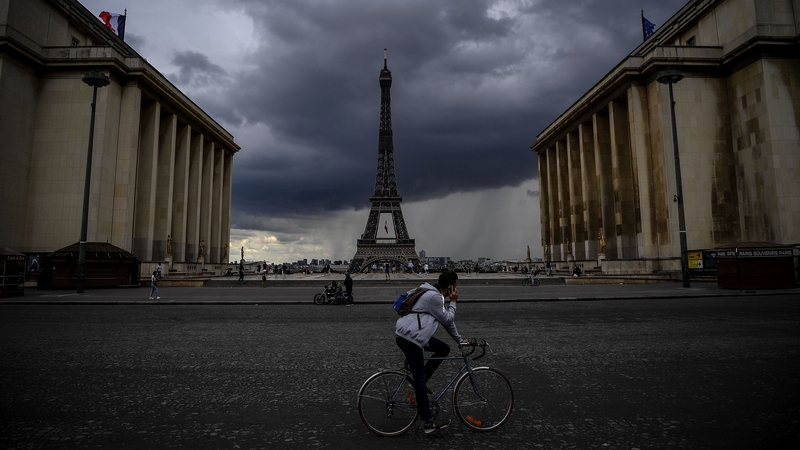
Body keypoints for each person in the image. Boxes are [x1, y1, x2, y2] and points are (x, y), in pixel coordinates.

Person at [395, 271, 468, 434]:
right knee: (419, 380)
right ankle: (428, 423)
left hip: (410, 334)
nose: (456, 289)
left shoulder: (429, 290)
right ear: (450, 287)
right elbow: (448, 320)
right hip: (410, 338)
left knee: (444, 349)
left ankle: (421, 381)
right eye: (455, 286)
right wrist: (454, 302)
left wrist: (459, 340)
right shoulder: (435, 297)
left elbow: (446, 323)